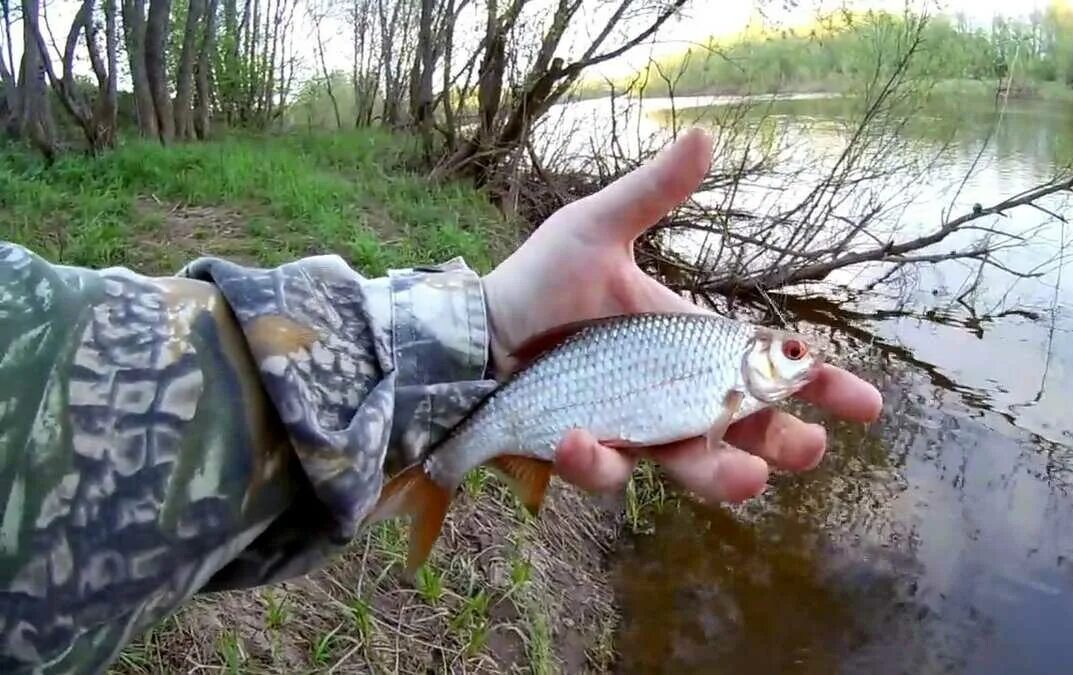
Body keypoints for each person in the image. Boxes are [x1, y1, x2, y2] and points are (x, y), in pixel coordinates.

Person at [0, 128, 881, 673]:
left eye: (796, 354)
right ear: (759, 359)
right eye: (792, 353)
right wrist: (488, 330)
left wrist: (489, 322)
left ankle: (444, 468)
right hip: (539, 386)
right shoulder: (724, 366)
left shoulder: (724, 367)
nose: (798, 365)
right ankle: (441, 472)